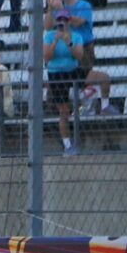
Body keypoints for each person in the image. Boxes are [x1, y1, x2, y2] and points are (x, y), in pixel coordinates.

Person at [42, 9, 85, 155]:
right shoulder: (49, 36)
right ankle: (67, 144)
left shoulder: (76, 36)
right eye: (59, 20)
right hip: (56, 74)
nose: (62, 23)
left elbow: (79, 56)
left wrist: (68, 42)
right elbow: (47, 57)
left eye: (65, 20)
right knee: (63, 110)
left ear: (69, 21)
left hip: (72, 71)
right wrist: (55, 40)